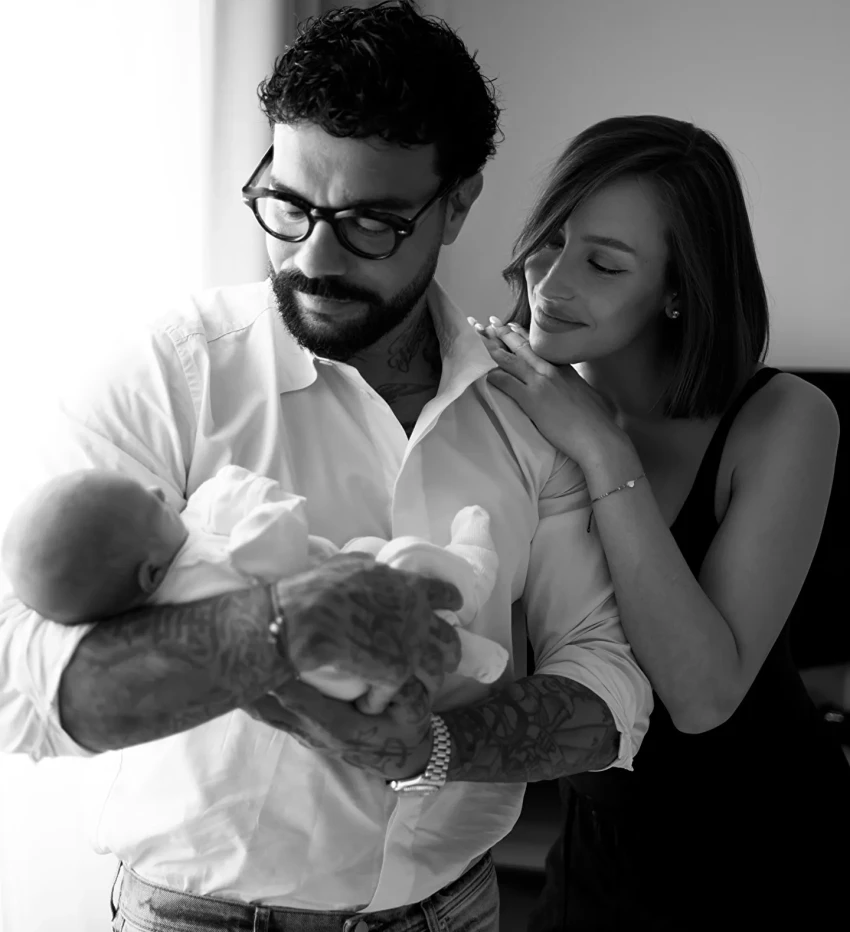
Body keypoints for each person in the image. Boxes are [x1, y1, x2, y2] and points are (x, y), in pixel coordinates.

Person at [0, 5, 652, 932]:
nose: (313, 256)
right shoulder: (171, 375)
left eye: (372, 223)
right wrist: (278, 626)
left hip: (454, 912)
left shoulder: (525, 414)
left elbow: (609, 686)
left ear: (458, 204)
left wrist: (430, 747)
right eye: (290, 205)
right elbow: (20, 688)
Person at [476, 114, 850, 930]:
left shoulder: (785, 419)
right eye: (550, 241)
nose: (551, 283)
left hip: (770, 852)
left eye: (603, 263)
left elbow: (702, 696)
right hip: (594, 845)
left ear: (680, 290)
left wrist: (603, 449)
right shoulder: (510, 412)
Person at [1, 465, 509, 707]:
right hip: (353, 642)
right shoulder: (202, 567)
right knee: (407, 565)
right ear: (150, 574)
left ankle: (435, 658)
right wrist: (256, 505)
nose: (157, 489)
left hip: (339, 680)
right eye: (148, 502)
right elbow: (277, 544)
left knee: (372, 555)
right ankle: (472, 591)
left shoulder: (160, 617)